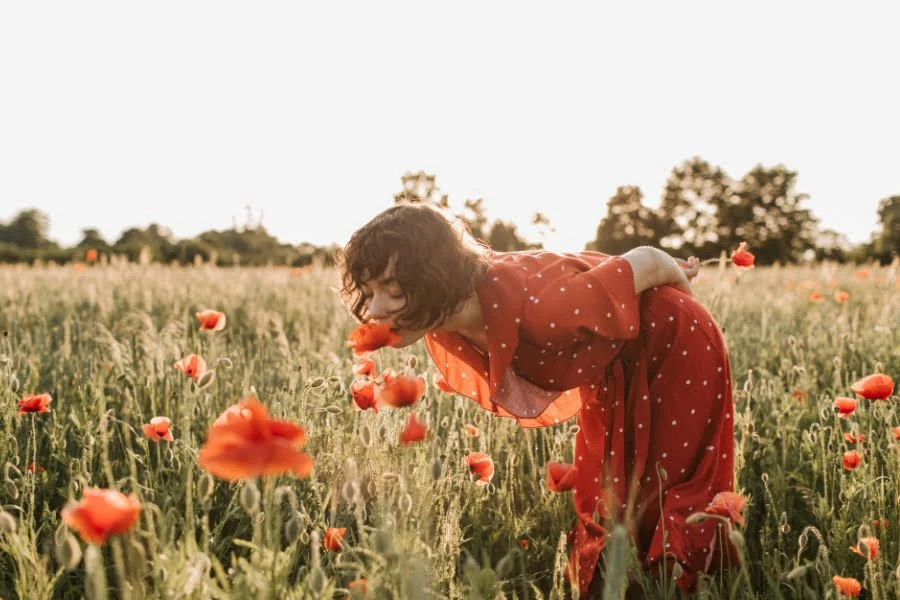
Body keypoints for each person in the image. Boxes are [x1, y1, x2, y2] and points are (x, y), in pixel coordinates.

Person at [335, 202, 740, 598]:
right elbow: (575, 270)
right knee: (611, 486)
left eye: (392, 290)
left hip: (675, 343)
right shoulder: (447, 315)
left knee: (669, 482)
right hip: (617, 359)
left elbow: (648, 260)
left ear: (436, 275)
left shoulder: (542, 308)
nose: (375, 310)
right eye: (369, 292)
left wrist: (684, 304)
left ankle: (682, 588)